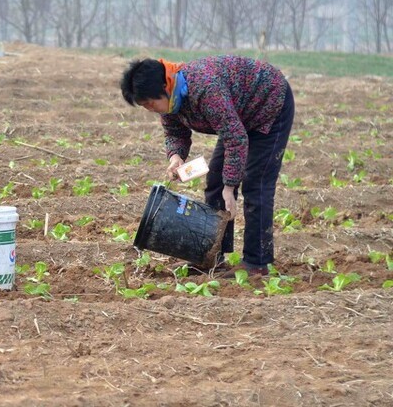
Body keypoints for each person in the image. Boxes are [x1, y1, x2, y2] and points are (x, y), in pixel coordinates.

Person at [119, 55, 295, 274]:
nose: (149, 109)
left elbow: (236, 138)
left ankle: (257, 263)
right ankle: (213, 256)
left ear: (164, 86)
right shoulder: (171, 99)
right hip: (237, 116)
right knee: (215, 183)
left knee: (255, 185)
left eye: (149, 103)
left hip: (268, 105)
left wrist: (230, 187)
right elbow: (175, 131)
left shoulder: (205, 89)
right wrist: (176, 157)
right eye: (144, 105)